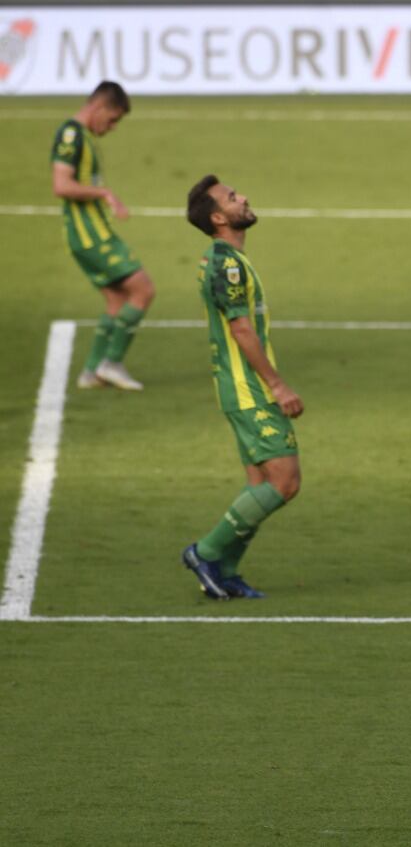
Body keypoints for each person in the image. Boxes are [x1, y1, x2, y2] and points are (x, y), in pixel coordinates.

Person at [180, 175, 304, 600]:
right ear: (218, 217)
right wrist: (278, 385)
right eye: (232, 198)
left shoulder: (226, 258)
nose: (243, 197)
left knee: (260, 483)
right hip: (249, 389)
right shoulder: (226, 264)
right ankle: (206, 552)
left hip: (238, 388)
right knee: (284, 481)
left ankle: (226, 571)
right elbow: (241, 330)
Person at [50, 80, 155, 391]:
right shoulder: (71, 136)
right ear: (100, 107)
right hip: (90, 235)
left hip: (89, 233)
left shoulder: (82, 137)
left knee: (116, 299)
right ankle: (112, 362)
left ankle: (92, 372)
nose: (112, 127)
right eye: (113, 119)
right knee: (143, 290)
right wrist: (104, 193)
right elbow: (62, 185)